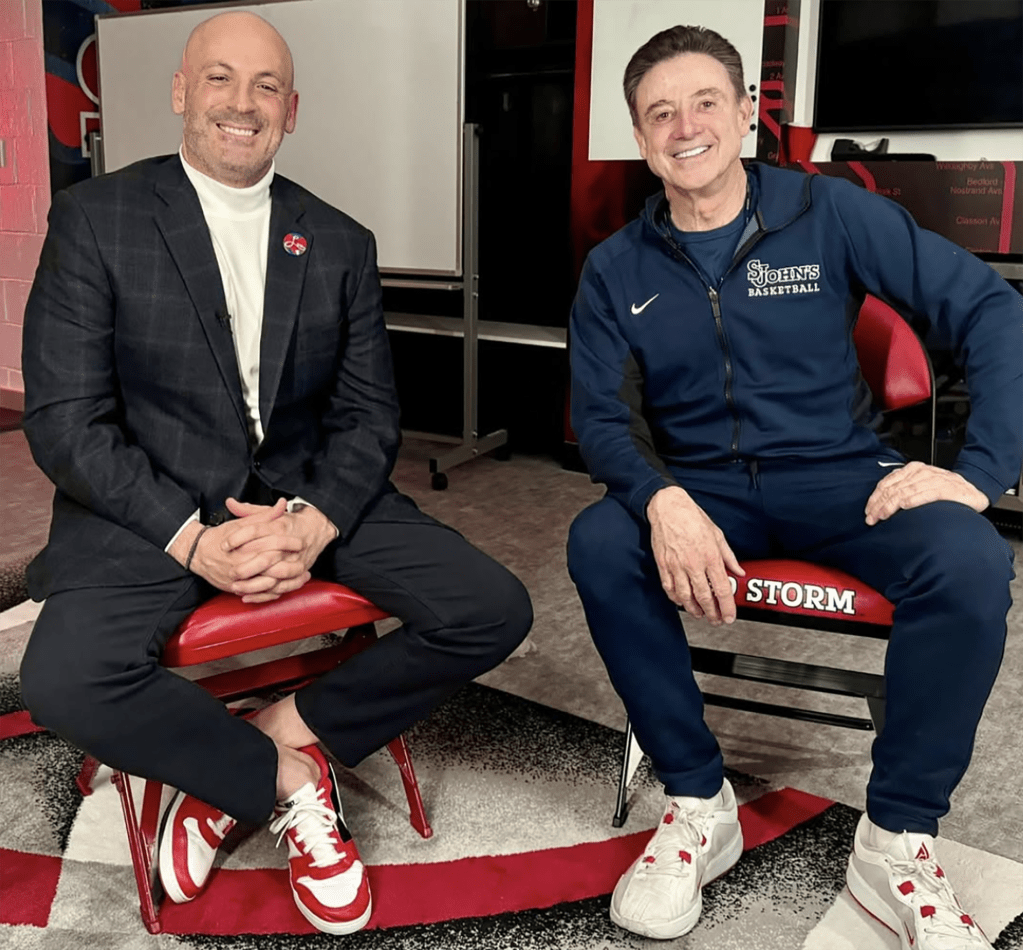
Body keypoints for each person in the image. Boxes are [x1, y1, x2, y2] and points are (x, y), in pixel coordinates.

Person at [19, 11, 532, 936]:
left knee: (491, 608)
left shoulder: (336, 239)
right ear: (181, 93)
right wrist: (192, 537)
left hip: (306, 494)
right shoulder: (98, 220)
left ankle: (272, 734)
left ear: (291, 111)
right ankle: (282, 782)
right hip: (153, 505)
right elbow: (65, 421)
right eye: (219, 79)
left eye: (265, 87)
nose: (241, 104)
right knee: (61, 680)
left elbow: (370, 415)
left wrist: (316, 522)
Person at [567, 24, 1020, 950]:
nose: (684, 126)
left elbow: (989, 306)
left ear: (744, 114)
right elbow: (604, 422)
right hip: (703, 491)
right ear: (638, 137)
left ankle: (893, 841)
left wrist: (978, 475)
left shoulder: (829, 213)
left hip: (842, 477)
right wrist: (661, 501)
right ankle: (698, 802)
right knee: (597, 540)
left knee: (969, 562)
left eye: (704, 103)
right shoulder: (614, 268)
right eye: (659, 113)